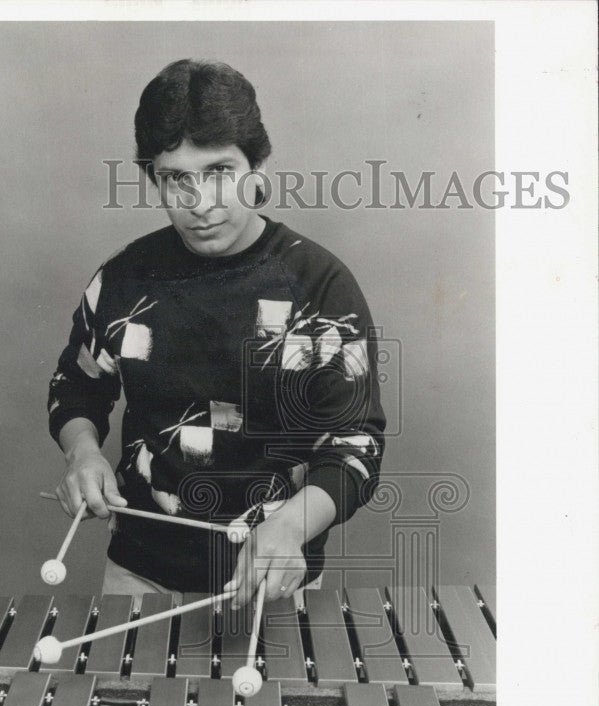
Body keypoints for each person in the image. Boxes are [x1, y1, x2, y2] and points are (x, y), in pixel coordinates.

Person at [48, 59, 385, 609]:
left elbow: (354, 445)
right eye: (176, 178)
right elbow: (77, 387)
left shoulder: (318, 285)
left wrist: (291, 527)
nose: (200, 203)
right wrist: (82, 452)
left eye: (220, 172)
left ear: (258, 165)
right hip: (140, 577)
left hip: (275, 579)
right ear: (152, 177)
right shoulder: (123, 279)